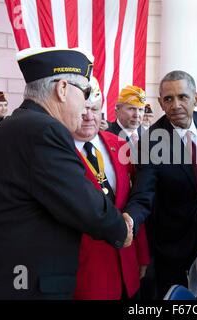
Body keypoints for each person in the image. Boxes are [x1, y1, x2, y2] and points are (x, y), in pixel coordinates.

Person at [0, 47, 132, 299]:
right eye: (85, 92)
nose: (86, 105)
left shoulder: (19, 125)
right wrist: (121, 229)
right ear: (62, 89)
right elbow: (87, 206)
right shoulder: (44, 131)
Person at [124, 70, 197, 299]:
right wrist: (130, 218)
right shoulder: (151, 141)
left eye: (182, 97)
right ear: (161, 103)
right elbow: (144, 191)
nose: (176, 105)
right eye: (168, 99)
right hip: (171, 237)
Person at [73, 77, 149, 300]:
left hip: (127, 261)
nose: (89, 116)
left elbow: (134, 200)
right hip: (87, 271)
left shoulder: (119, 144)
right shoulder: (57, 150)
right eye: (83, 109)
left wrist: (142, 253)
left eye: (95, 109)